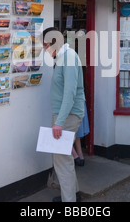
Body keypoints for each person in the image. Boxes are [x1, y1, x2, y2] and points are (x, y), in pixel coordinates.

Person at [43, 27, 85, 202]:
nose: (45, 49)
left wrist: (59, 122)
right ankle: (73, 194)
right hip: (64, 115)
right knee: (64, 155)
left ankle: (69, 203)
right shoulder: (63, 57)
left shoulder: (68, 58)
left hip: (66, 117)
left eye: (45, 45)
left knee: (61, 159)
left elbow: (70, 93)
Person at [72, 101, 89, 166]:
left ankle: (75, 156)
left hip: (70, 102)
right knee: (77, 127)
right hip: (79, 102)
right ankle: (80, 155)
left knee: (65, 129)